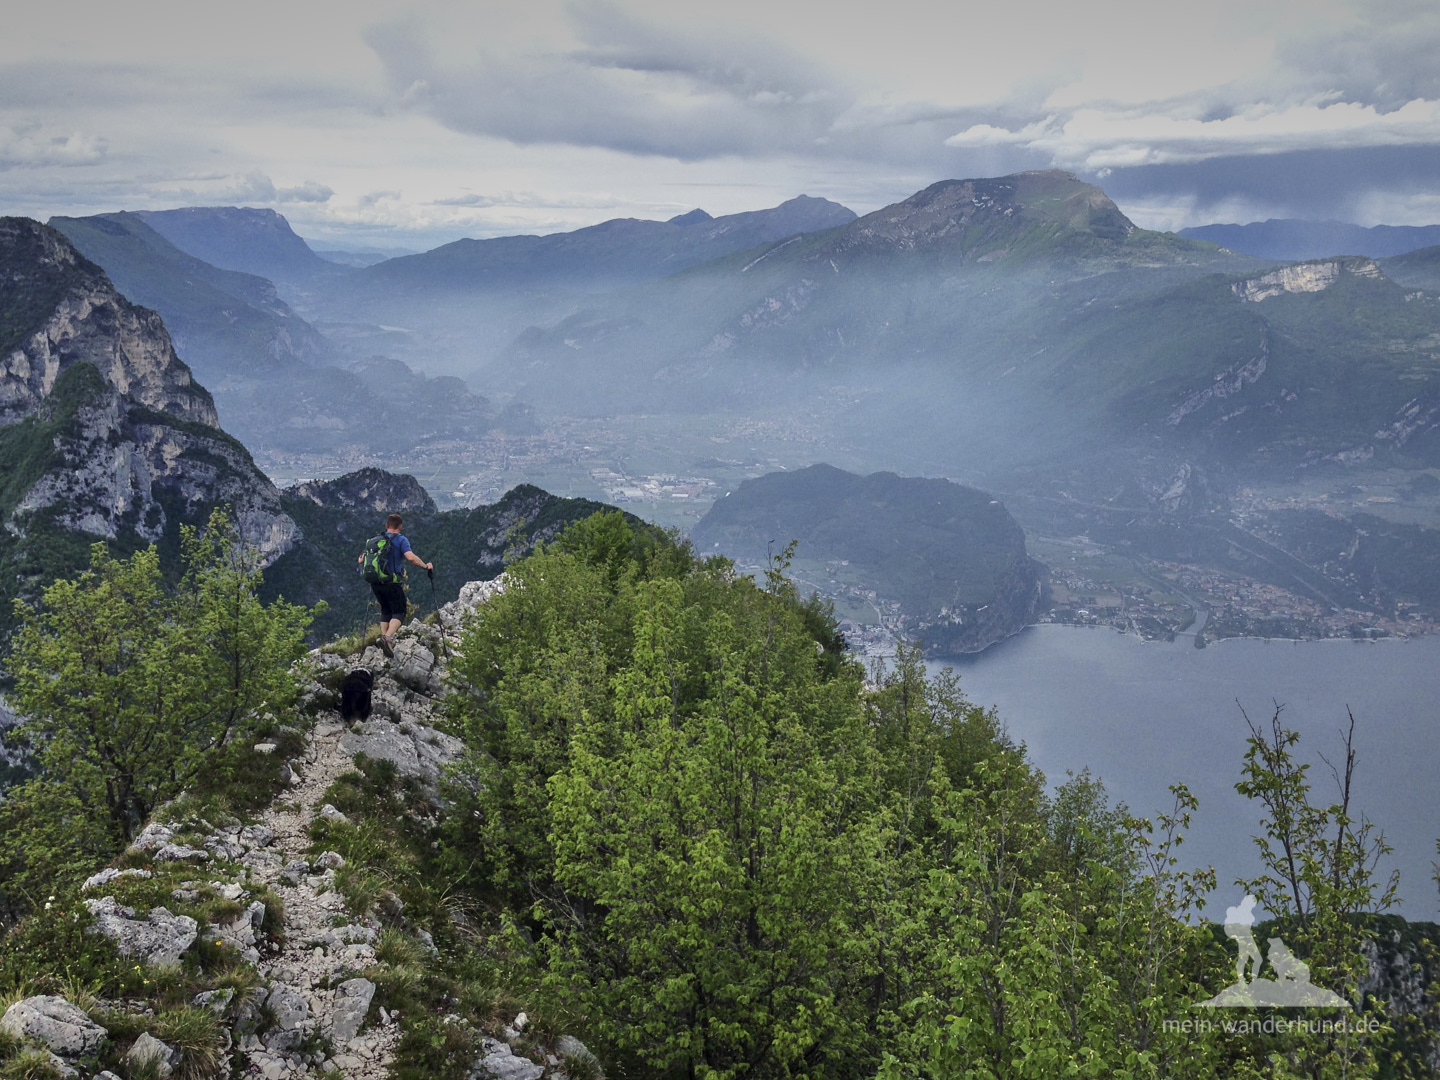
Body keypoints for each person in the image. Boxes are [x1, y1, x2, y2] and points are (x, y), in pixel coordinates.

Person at [360, 513, 433, 658]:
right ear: (400, 526)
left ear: (387, 526)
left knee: (386, 610)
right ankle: (387, 638)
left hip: (375, 582)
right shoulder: (401, 540)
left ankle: (385, 640)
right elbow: (411, 558)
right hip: (391, 582)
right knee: (400, 611)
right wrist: (426, 566)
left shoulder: (375, 541)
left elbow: (361, 560)